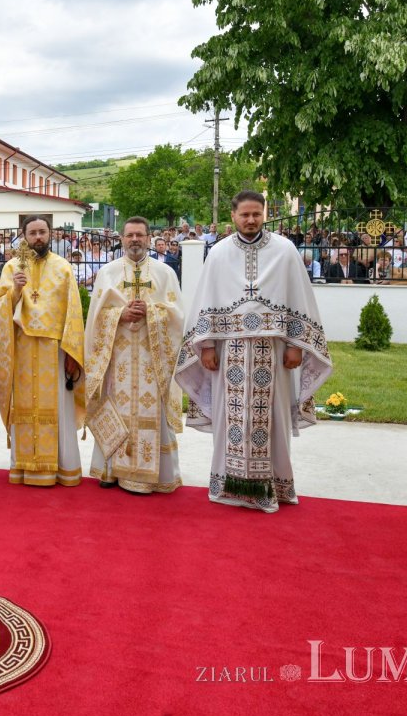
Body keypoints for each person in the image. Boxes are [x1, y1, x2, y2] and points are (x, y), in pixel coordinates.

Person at [175, 191, 333, 513]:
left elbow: (298, 301)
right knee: (228, 418)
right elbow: (206, 301)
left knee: (272, 419)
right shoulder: (218, 254)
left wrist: (294, 345)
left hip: (274, 352)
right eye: (244, 215)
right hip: (228, 351)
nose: (250, 220)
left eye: (256, 214)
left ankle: (273, 486)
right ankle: (229, 484)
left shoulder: (285, 251)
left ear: (264, 214)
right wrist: (205, 346)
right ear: (233, 216)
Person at [84, 217, 186, 494]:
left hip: (152, 360)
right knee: (115, 408)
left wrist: (151, 313)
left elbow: (178, 317)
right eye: (129, 235)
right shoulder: (108, 272)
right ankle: (110, 469)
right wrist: (120, 314)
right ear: (121, 239)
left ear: (150, 238)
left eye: (140, 235)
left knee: (151, 411)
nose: (135, 240)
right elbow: (95, 318)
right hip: (118, 359)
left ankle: (151, 476)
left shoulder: (165, 274)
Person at [0, 214, 86, 487]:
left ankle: (62, 469)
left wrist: (72, 354)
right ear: (24, 235)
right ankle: (24, 469)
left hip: (54, 351)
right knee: (24, 408)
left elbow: (74, 314)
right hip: (21, 349)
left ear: (50, 233)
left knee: (58, 410)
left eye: (42, 232)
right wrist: (16, 291)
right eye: (32, 233)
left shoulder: (63, 267)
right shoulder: (12, 267)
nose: (38, 237)